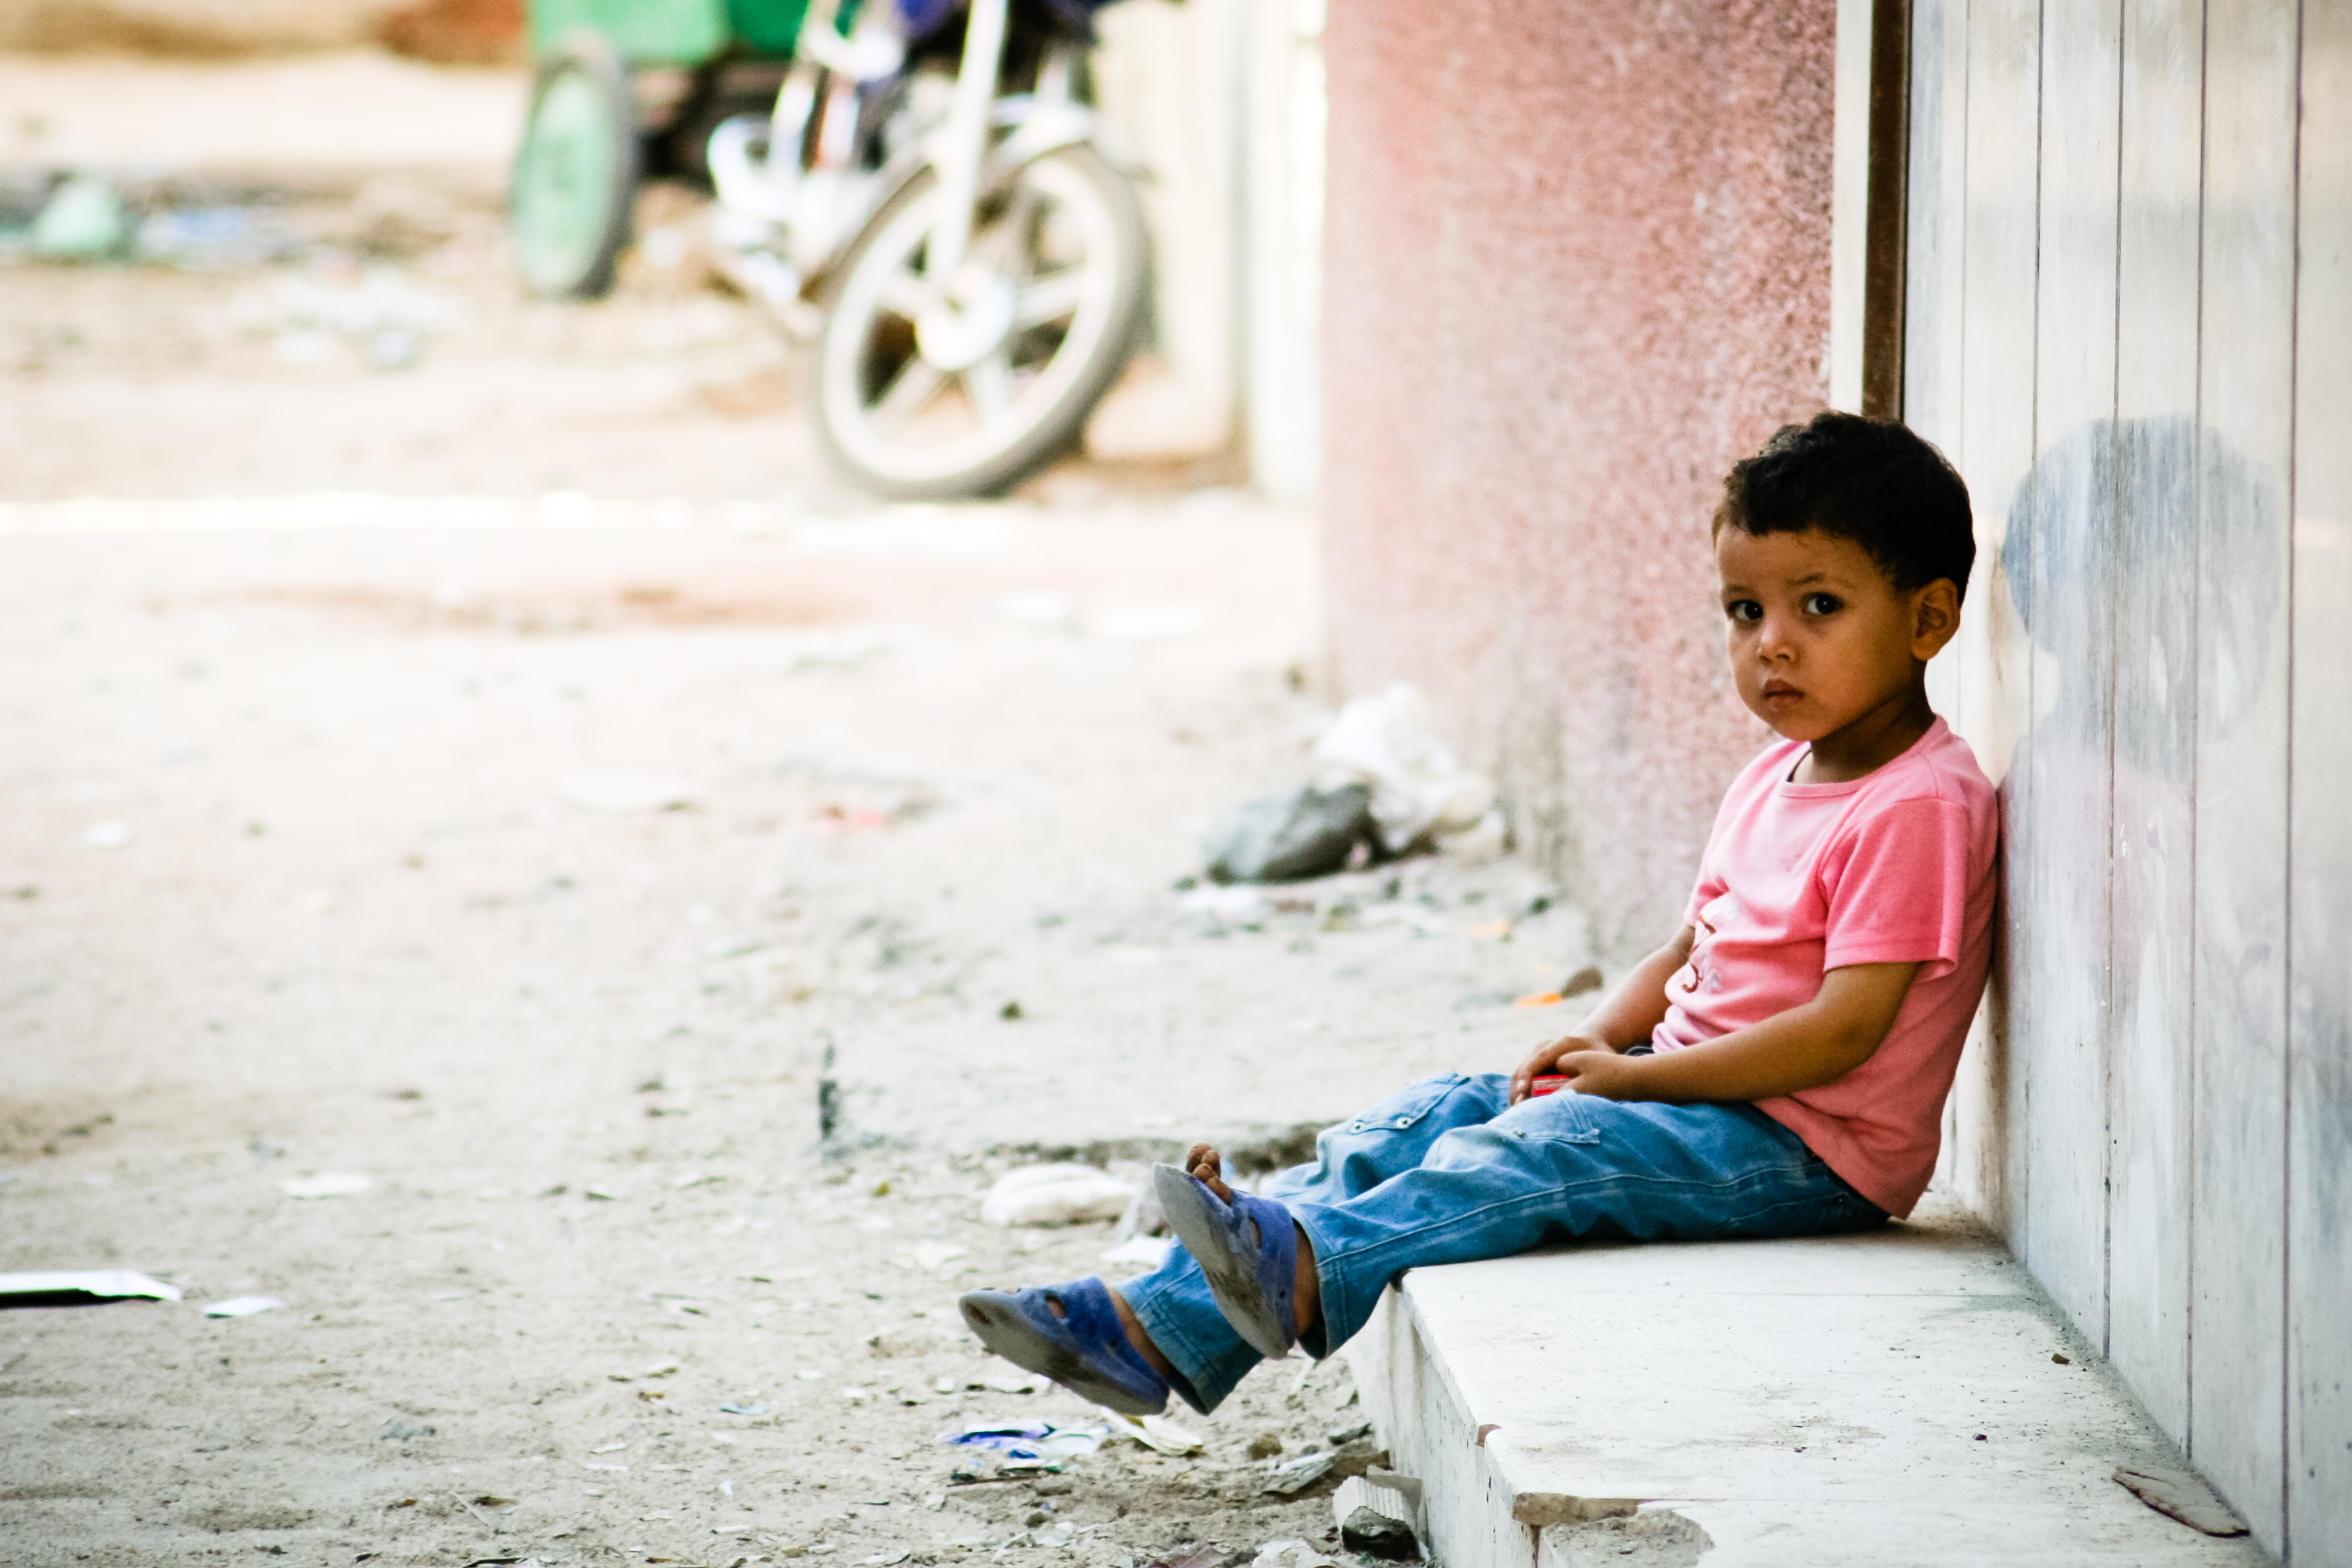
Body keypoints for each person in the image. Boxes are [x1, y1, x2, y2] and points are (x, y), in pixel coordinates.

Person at [957, 412, 2000, 1417]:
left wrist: (1635, 1078)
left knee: (1547, 1144)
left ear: (1928, 618)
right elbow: (1691, 948)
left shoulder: (1919, 805)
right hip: (1701, 1106)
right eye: (1744, 610)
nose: (1772, 645)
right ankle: (1160, 1317)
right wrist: (1599, 1036)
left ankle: (1286, 1274)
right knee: (1445, 1108)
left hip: (1807, 1153)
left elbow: (1843, 1030)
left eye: (1819, 606)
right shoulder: (1778, 771)